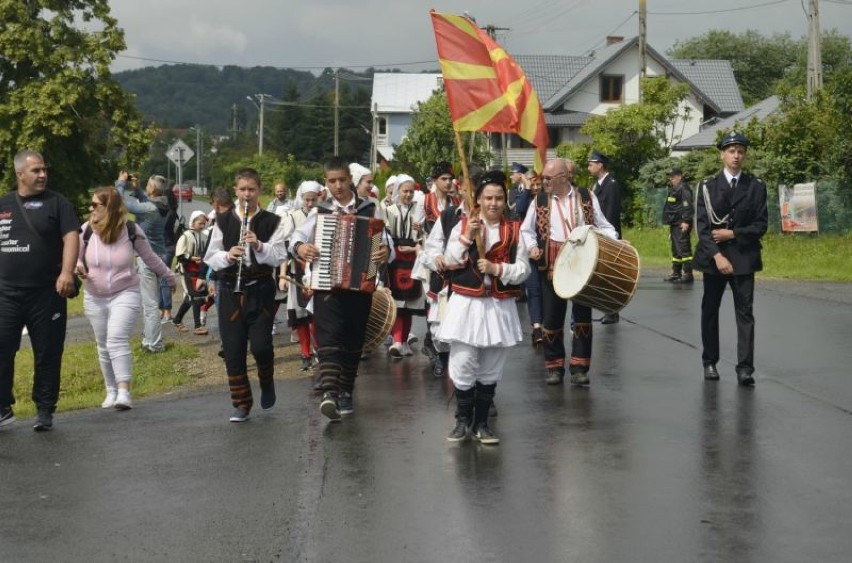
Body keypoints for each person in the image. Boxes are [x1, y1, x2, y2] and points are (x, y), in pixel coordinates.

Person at [289, 157, 391, 421]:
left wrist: (383, 252)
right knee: (329, 337)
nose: (338, 186)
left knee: (354, 339)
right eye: (332, 181)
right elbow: (297, 238)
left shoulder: (370, 209)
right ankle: (329, 393)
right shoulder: (320, 212)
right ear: (326, 182)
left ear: (350, 180)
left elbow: (382, 241)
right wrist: (302, 248)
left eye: (342, 180)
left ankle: (345, 389)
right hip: (327, 285)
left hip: (361, 284)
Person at [438, 170, 531, 444]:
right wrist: (467, 236)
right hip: (466, 304)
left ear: (505, 200)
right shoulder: (464, 224)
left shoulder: (515, 229)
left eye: (499, 198)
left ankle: (482, 423)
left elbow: (524, 269)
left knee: (491, 366)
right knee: (463, 362)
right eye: (488, 198)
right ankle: (462, 419)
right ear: (477, 199)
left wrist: (497, 269)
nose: (494, 203)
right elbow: (449, 259)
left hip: (498, 306)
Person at [0, 150, 80, 431]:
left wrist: (67, 272)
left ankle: (45, 410)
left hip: (46, 293)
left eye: (44, 170)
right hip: (6, 294)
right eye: (36, 171)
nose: (43, 174)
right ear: (20, 174)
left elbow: (71, 236)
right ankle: (2, 407)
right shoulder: (4, 204)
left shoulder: (58, 203)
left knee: (47, 352)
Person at [521, 158, 618, 387]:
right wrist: (532, 246)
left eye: (547, 178)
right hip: (553, 260)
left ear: (564, 177)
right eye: (543, 178)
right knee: (552, 316)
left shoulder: (586, 196)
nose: (543, 182)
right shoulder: (540, 200)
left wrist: (613, 241)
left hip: (582, 259)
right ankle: (554, 367)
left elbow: (604, 225)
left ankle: (580, 368)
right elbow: (526, 230)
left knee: (583, 316)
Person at [77, 187, 176, 410]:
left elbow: (150, 257)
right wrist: (79, 266)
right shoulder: (86, 231)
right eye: (91, 205)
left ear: (110, 208)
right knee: (102, 345)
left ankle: (124, 391)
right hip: (94, 296)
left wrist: (169, 277)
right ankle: (110, 391)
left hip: (125, 293)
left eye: (96, 205)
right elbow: (76, 258)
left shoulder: (130, 230)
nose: (91, 209)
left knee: (116, 339)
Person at [203, 168, 290, 422]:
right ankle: (242, 402)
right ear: (235, 191)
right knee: (233, 350)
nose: (247, 195)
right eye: (242, 190)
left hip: (260, 289)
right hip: (230, 290)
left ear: (259, 191)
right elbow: (211, 256)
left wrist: (258, 245)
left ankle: (267, 381)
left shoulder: (273, 221)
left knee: (262, 347)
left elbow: (279, 256)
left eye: (251, 189)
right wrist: (228, 256)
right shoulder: (222, 220)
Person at [694, 131, 768, 386]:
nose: (736, 156)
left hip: (744, 257)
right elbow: (702, 228)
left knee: (745, 314)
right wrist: (717, 256)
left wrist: (732, 233)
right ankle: (710, 362)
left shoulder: (756, 186)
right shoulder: (706, 187)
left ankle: (745, 368)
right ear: (722, 154)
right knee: (710, 311)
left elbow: (761, 225)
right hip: (714, 260)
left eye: (741, 151)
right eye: (731, 151)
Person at [117, 172, 171, 352]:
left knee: (150, 304)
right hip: (161, 255)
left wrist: (121, 183)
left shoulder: (150, 209)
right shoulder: (163, 204)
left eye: (148, 184)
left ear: (153, 189)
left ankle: (154, 344)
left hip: (148, 259)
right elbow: (146, 200)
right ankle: (149, 339)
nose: (146, 186)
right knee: (151, 302)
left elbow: (122, 203)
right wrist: (138, 189)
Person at [280, 180, 323, 371]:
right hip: (298, 269)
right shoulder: (293, 216)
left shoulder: (323, 215)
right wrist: (282, 274)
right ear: (301, 199)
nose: (310, 204)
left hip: (318, 269)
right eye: (307, 200)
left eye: (313, 200)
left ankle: (320, 350)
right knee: (300, 315)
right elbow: (285, 248)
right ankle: (305, 353)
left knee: (317, 315)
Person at [385, 175, 426, 357]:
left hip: (412, 258)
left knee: (409, 302)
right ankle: (397, 341)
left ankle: (402, 342)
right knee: (397, 302)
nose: (408, 195)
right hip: (394, 257)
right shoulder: (388, 209)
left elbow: (425, 235)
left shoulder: (419, 209)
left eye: (411, 191)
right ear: (397, 191)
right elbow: (384, 234)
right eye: (405, 191)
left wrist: (419, 234)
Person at [587, 150, 623, 324]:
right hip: (600, 234)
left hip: (609, 234)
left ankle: (613, 311)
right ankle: (608, 309)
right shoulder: (598, 185)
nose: (589, 167)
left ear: (600, 165)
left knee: (611, 275)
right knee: (603, 274)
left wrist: (608, 237)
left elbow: (611, 214)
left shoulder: (612, 184)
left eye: (591, 163)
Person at [172, 210, 210, 335]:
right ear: (192, 223)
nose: (202, 226)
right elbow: (180, 256)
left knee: (192, 297)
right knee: (196, 296)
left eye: (203, 224)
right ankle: (197, 326)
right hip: (187, 271)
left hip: (198, 271)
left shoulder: (202, 235)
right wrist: (194, 259)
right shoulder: (186, 236)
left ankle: (177, 319)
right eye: (200, 223)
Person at [663, 167, 695, 283]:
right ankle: (676, 273)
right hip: (675, 223)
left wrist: (686, 221)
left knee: (684, 247)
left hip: (682, 223)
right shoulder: (674, 189)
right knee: (676, 249)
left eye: (673, 176)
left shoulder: (683, 188)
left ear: (680, 176)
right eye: (670, 176)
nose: (670, 178)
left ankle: (688, 274)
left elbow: (688, 206)